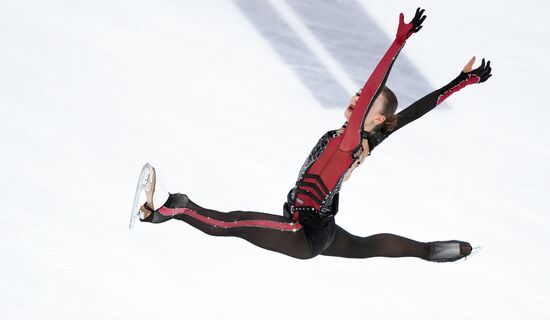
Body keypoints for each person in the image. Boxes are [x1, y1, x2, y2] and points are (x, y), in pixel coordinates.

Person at [130, 8, 492, 262]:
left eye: (365, 102)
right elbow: (416, 110)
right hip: (323, 229)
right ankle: (435, 251)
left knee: (234, 222)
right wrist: (461, 82)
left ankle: (175, 207)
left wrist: (398, 43)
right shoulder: (367, 139)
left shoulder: (353, 139)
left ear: (377, 117)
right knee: (365, 247)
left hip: (301, 231)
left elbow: (373, 88)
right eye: (356, 96)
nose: (356, 99)